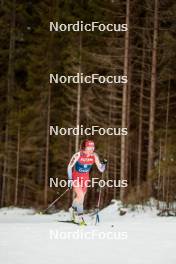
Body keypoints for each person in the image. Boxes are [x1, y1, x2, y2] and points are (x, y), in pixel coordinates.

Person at [67, 139, 107, 225]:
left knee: (79, 197)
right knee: (81, 196)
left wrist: (103, 164)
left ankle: (72, 209)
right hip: (76, 177)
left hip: (85, 178)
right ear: (84, 147)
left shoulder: (94, 156)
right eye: (89, 147)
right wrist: (70, 180)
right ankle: (80, 217)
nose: (92, 149)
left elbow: (101, 169)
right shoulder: (78, 155)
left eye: (93, 147)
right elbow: (69, 167)